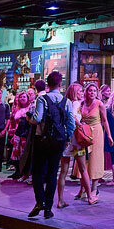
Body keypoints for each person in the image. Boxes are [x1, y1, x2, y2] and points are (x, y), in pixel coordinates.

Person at [30, 71, 76, 219]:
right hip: (58, 141)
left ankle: (40, 201)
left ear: (47, 84)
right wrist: (67, 137)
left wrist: (28, 118)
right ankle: (48, 209)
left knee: (37, 172)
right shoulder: (66, 101)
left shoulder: (42, 99)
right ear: (60, 84)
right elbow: (71, 123)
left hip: (41, 139)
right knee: (52, 173)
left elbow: (37, 118)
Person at [57, 83, 98, 207]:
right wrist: (80, 126)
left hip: (66, 142)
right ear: (75, 92)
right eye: (80, 91)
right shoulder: (75, 103)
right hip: (76, 142)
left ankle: (60, 200)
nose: (82, 93)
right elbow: (73, 117)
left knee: (63, 171)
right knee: (83, 169)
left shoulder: (64, 102)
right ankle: (90, 197)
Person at [82, 83, 114, 195]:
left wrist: (109, 135)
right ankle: (83, 188)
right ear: (86, 92)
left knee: (95, 159)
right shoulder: (83, 103)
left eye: (94, 91)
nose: (92, 93)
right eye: (90, 90)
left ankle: (94, 188)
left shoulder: (99, 104)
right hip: (84, 133)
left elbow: (105, 120)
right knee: (84, 161)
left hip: (96, 132)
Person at [4, 91, 30, 179]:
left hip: (25, 135)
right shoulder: (16, 109)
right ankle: (17, 171)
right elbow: (14, 123)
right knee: (16, 153)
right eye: (21, 97)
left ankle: (24, 173)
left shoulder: (29, 108)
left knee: (23, 153)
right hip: (17, 134)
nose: (22, 98)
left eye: (24, 97)